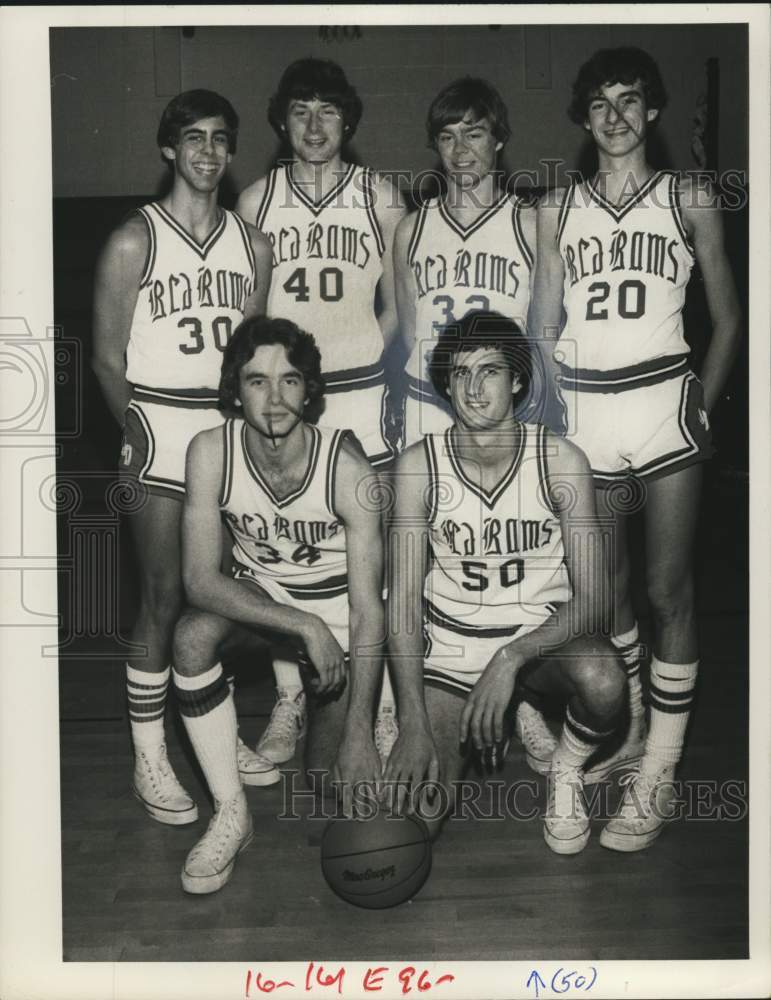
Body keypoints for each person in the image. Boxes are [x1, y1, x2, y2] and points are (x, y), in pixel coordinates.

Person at [529, 47, 742, 850]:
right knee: (606, 595)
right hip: (585, 414)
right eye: (599, 103)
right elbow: (542, 327)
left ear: (651, 110)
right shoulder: (556, 207)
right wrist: (550, 419)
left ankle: (659, 770)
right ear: (583, 118)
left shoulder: (688, 197)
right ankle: (628, 724)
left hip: (661, 407)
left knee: (667, 590)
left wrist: (703, 408)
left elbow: (727, 319)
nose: (613, 116)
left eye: (628, 100)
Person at [92, 90, 275, 825]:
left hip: (222, 435)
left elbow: (254, 353)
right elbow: (106, 360)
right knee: (166, 598)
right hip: (159, 427)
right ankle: (150, 758)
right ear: (169, 148)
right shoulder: (134, 239)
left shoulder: (253, 245)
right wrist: (133, 432)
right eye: (193, 138)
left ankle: (217, 739)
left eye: (221, 139)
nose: (208, 152)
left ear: (232, 153)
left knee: (224, 595)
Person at [385, 311, 626, 854]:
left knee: (606, 680)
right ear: (445, 384)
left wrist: (511, 658)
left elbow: (594, 599)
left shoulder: (561, 460)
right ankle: (466, 716)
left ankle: (566, 768)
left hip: (539, 643)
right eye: (460, 373)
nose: (473, 388)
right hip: (449, 647)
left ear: (517, 380)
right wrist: (413, 720)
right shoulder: (418, 466)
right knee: (409, 826)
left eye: (489, 371)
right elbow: (401, 603)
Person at [172, 315, 384, 893]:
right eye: (256, 380)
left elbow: (370, 609)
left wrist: (359, 730)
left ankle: (377, 709)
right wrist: (300, 623)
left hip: (345, 618)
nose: (273, 396)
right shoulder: (209, 452)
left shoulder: (346, 466)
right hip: (273, 606)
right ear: (234, 389)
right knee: (191, 636)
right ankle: (230, 813)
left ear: (310, 390)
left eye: (289, 380)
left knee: (331, 783)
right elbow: (199, 580)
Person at [237, 58, 405, 766]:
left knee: (383, 557)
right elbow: (248, 315)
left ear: (349, 121)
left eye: (328, 112)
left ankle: (388, 704)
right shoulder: (254, 202)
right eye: (300, 110)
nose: (313, 125)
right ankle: (289, 698)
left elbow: (402, 305)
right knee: (282, 552)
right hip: (288, 404)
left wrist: (394, 381)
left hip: (364, 396)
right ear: (281, 120)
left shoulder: (380, 197)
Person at [393, 77, 536, 449]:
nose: (459, 150)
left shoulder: (530, 225)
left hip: (500, 407)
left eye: (473, 134)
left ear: (498, 139)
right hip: (427, 402)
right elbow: (410, 335)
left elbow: (542, 330)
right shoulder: (411, 229)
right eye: (447, 136)